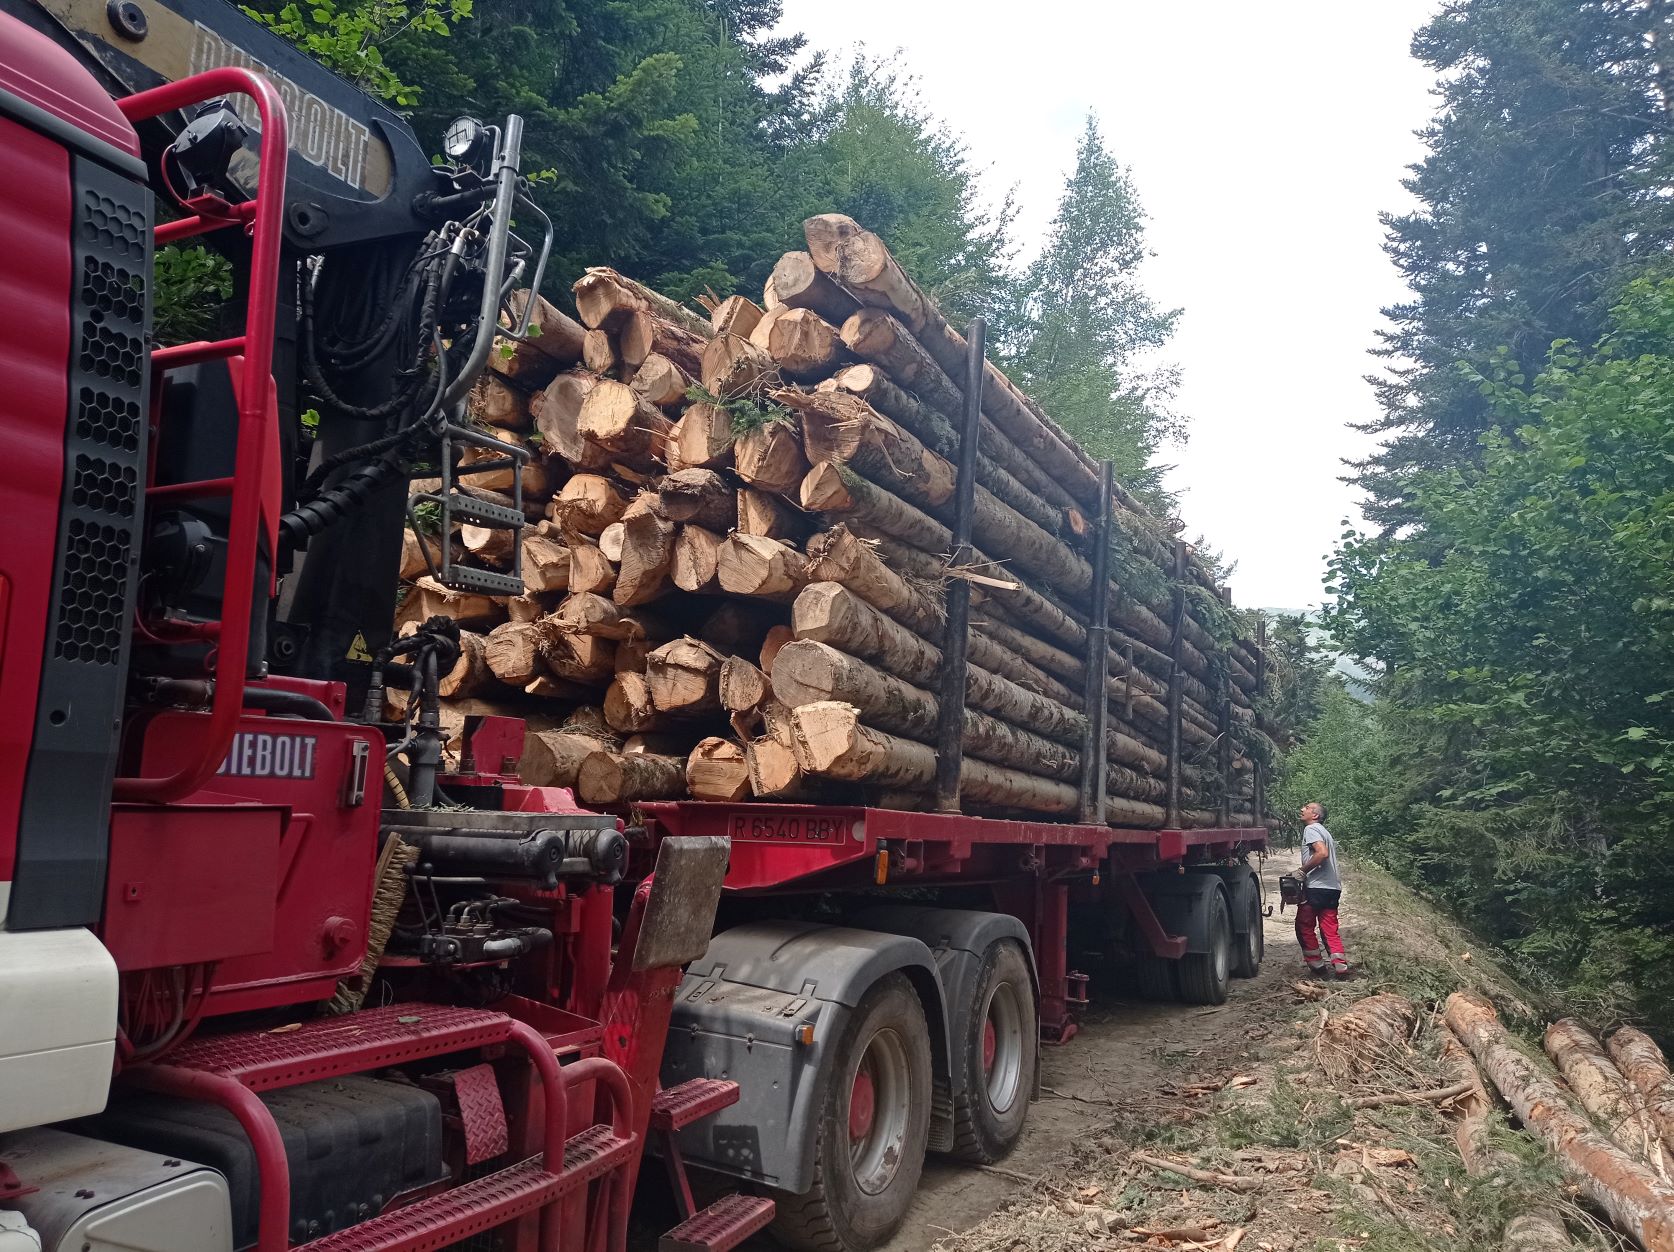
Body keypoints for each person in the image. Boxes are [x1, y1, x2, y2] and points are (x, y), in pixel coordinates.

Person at [1295, 802, 1350, 977]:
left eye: (1307, 808)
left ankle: (1317, 966)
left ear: (1315, 815)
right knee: (1329, 928)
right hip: (1332, 888)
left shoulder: (1311, 829)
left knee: (1304, 925)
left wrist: (1302, 871)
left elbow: (1322, 853)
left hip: (1316, 888)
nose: (1302, 809)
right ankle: (1340, 966)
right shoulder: (1325, 832)